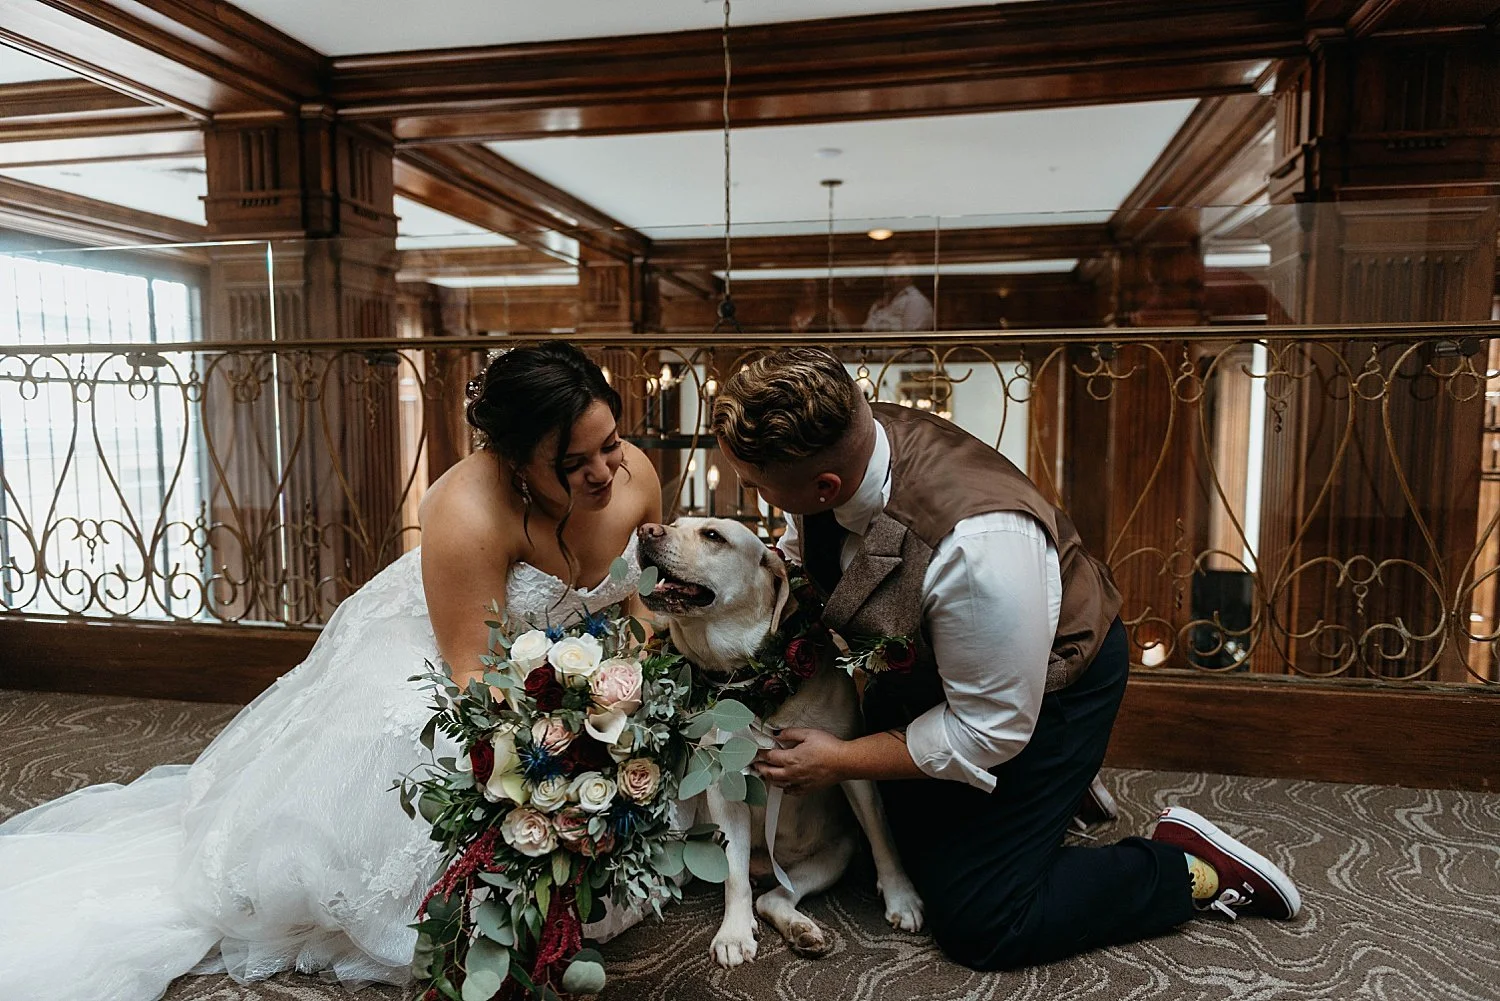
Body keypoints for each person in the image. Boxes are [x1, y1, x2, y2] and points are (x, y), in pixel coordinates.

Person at [0, 341, 660, 1000]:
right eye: (573, 463)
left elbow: (642, 604)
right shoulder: (467, 511)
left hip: (566, 656)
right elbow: (472, 672)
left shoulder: (637, 477)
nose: (606, 471)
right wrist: (557, 744)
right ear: (516, 462)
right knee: (414, 745)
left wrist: (619, 688)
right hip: (450, 644)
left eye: (611, 443)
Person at [714, 347, 1301, 970]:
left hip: (1049, 688)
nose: (752, 494)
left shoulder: (978, 546)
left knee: (981, 920)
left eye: (755, 487)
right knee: (892, 835)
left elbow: (987, 729)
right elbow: (810, 553)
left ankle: (1185, 866)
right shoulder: (842, 433)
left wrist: (841, 760)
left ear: (825, 487)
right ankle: (1053, 799)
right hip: (935, 670)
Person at [862, 251, 934, 332]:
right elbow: (867, 330)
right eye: (891, 273)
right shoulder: (881, 303)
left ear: (911, 275)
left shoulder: (916, 301)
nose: (895, 279)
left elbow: (911, 339)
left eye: (900, 274)